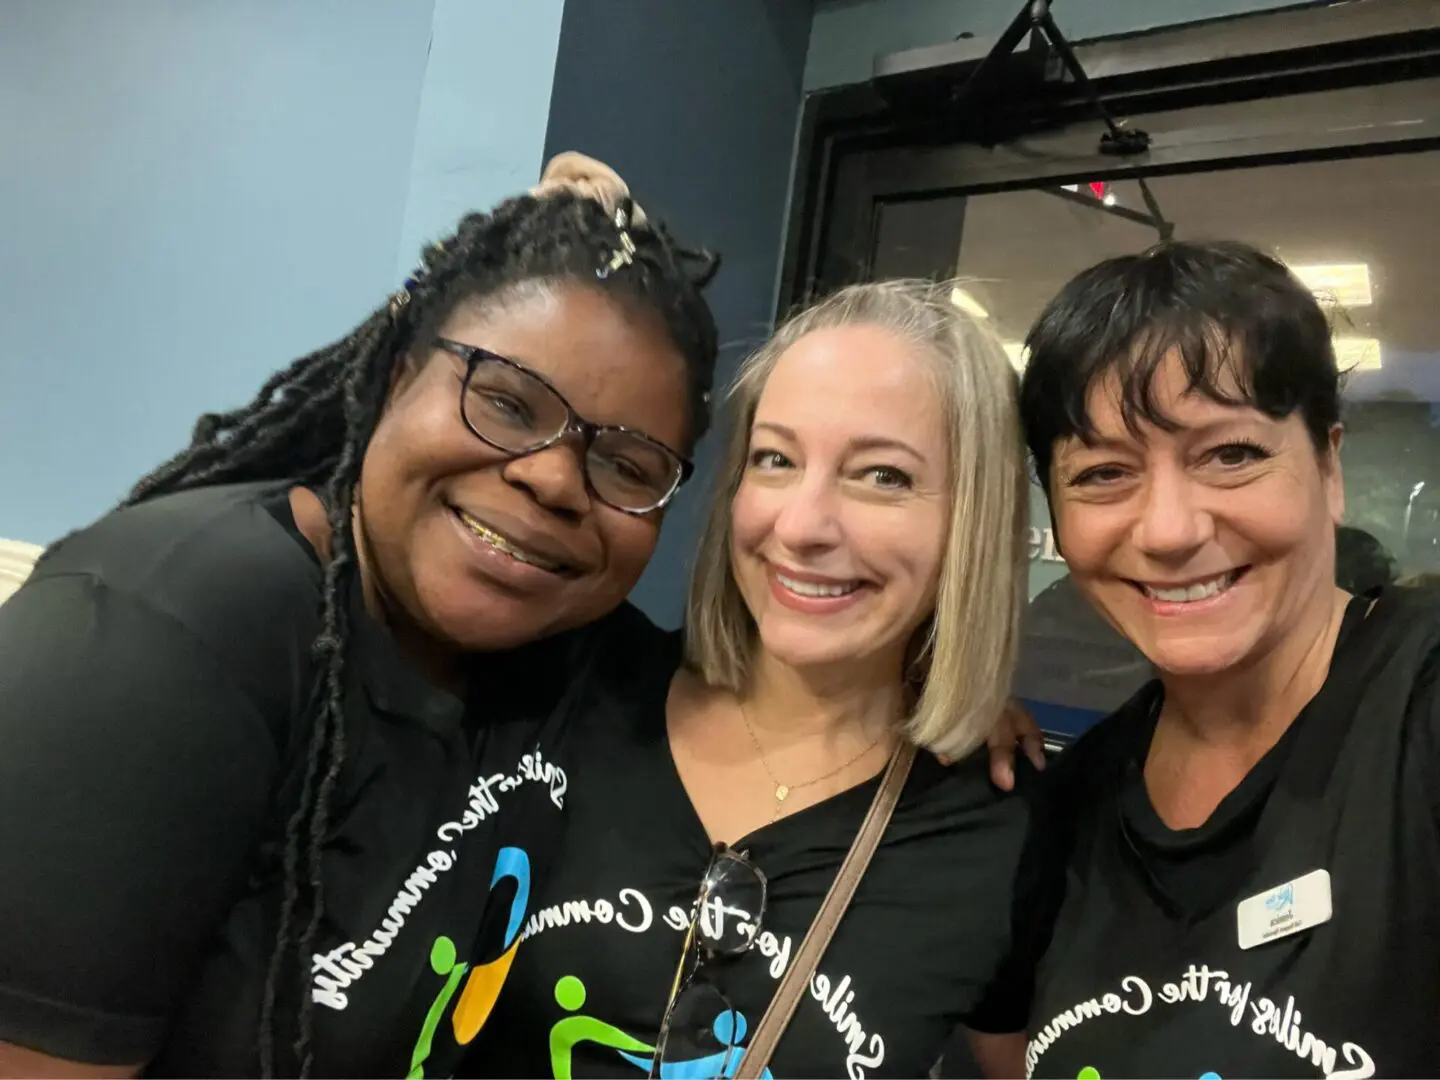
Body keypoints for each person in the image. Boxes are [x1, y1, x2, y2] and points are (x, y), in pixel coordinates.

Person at [0, 153, 721, 1079]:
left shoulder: (581, 660)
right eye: (506, 400)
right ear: (395, 379)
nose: (551, 477)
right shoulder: (164, 638)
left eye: (627, 463)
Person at [464, 279, 1041, 1079]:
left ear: (973, 522)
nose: (801, 525)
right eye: (775, 459)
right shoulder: (562, 679)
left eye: (883, 476)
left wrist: (963, 690)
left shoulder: (1003, 834)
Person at [992, 240, 1440, 1078]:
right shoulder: (1071, 805)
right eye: (1102, 473)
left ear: (1329, 465)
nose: (1169, 530)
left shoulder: (1418, 700)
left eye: (1230, 455)